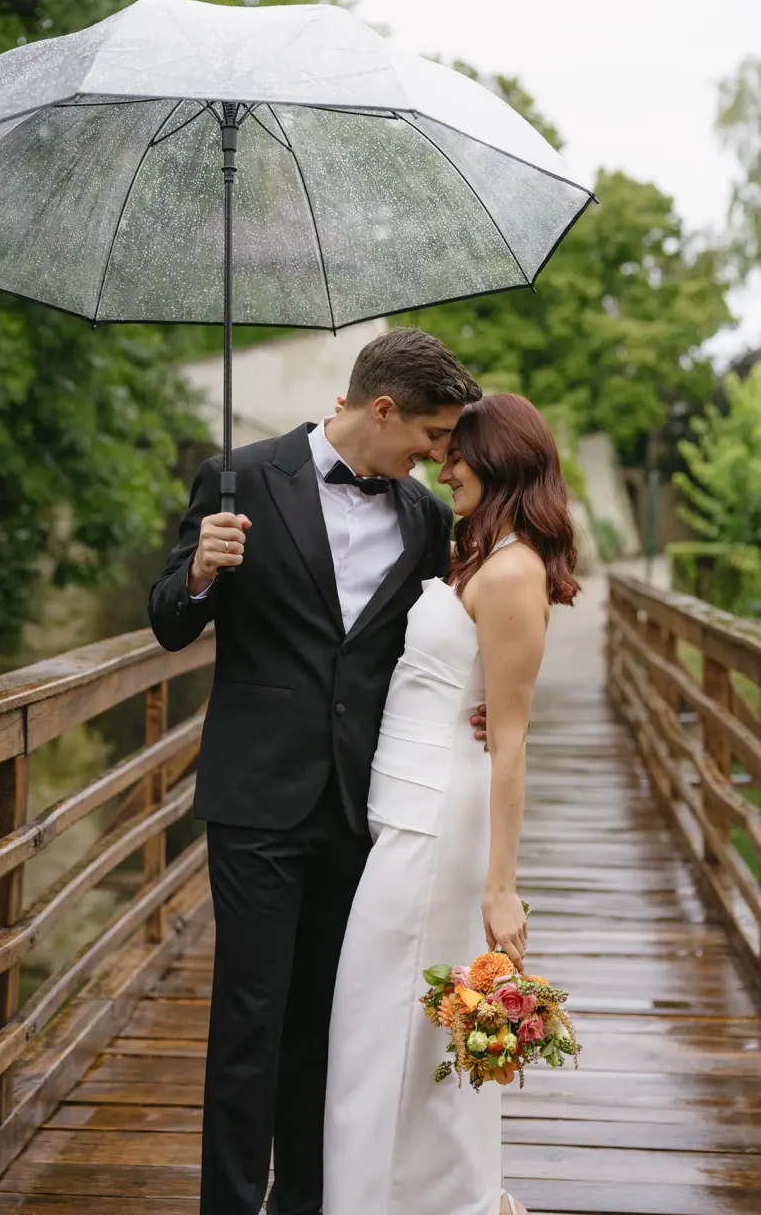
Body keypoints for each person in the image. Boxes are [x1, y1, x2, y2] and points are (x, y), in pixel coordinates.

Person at [147, 328, 483, 1215]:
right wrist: (199, 571)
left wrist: (475, 702)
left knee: (324, 1023)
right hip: (257, 794)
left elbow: (426, 644)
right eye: (432, 436)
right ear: (382, 409)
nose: (437, 456)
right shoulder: (240, 478)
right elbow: (170, 624)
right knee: (248, 1018)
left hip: (359, 803)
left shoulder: (425, 519)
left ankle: (302, 1199)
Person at [324, 392, 581, 1215]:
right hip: (408, 809)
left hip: (440, 824)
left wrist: (500, 888)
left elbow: (509, 742)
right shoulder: (478, 551)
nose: (442, 466)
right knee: (387, 1025)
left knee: (384, 1026)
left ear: (499, 458)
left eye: (455, 452)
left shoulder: (511, 570)